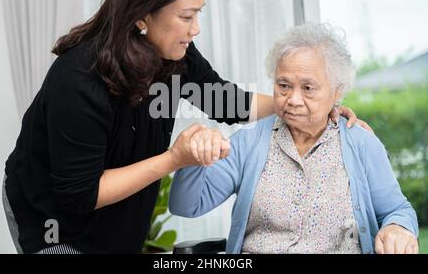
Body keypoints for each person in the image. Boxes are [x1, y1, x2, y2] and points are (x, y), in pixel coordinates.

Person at [3, 0, 363, 254]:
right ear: (142, 16)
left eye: (198, 14)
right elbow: (81, 194)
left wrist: (295, 103)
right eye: (186, 17)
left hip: (117, 217)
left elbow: (226, 101)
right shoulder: (79, 80)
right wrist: (174, 159)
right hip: (51, 218)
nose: (196, 29)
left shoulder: (175, 56)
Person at [169, 23, 419, 254]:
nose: (294, 99)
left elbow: (397, 210)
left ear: (337, 91)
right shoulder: (249, 143)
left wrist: (398, 228)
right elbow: (186, 206)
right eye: (283, 86)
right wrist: (193, 155)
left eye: (308, 88)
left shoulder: (360, 142)